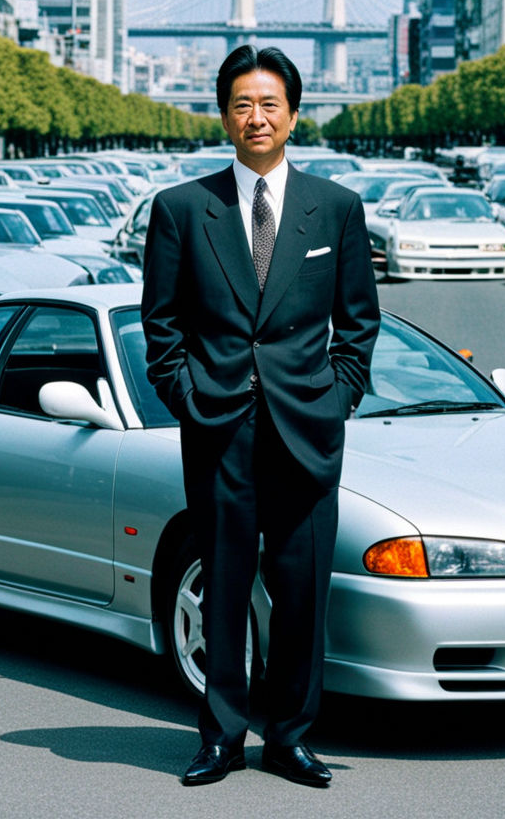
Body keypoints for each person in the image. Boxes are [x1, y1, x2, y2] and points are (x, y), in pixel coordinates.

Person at [140, 45, 380, 788]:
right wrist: (189, 399)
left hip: (307, 430)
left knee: (304, 594)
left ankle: (290, 739)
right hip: (219, 432)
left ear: (294, 115)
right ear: (223, 116)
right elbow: (161, 327)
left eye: (270, 104)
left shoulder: (335, 208)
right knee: (223, 588)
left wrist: (337, 399)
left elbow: (359, 324)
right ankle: (220, 736)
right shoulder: (182, 209)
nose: (256, 117)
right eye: (242, 104)